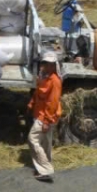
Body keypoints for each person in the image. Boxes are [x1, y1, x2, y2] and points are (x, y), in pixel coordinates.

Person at [27, 52, 63, 182]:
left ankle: (45, 170)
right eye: (44, 63)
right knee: (45, 142)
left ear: (54, 65)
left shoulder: (55, 81)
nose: (45, 66)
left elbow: (52, 102)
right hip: (40, 113)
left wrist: (47, 121)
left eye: (48, 64)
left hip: (45, 117)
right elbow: (38, 93)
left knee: (33, 139)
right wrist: (31, 104)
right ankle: (46, 166)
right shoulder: (44, 76)